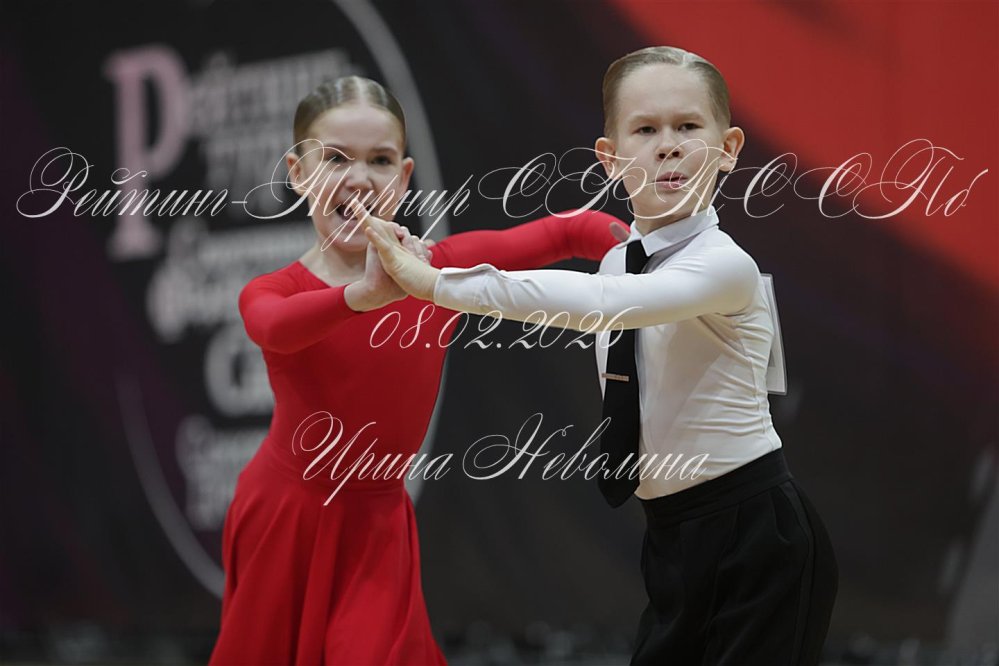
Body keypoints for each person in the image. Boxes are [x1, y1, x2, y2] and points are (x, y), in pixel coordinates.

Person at [362, 47, 838, 666]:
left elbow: (605, 304)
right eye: (646, 129)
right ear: (610, 158)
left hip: (759, 537)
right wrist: (418, 256)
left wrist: (435, 285)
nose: (668, 147)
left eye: (687, 126)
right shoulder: (619, 261)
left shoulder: (725, 264)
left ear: (728, 148)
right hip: (671, 535)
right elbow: (582, 273)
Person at [208, 75, 626, 665]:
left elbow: (569, 231)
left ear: (404, 178)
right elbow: (272, 327)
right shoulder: (275, 289)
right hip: (286, 516)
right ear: (298, 173)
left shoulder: (439, 273)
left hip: (377, 521)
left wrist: (646, 256)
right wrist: (363, 295)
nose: (359, 178)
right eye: (335, 158)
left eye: (379, 160)